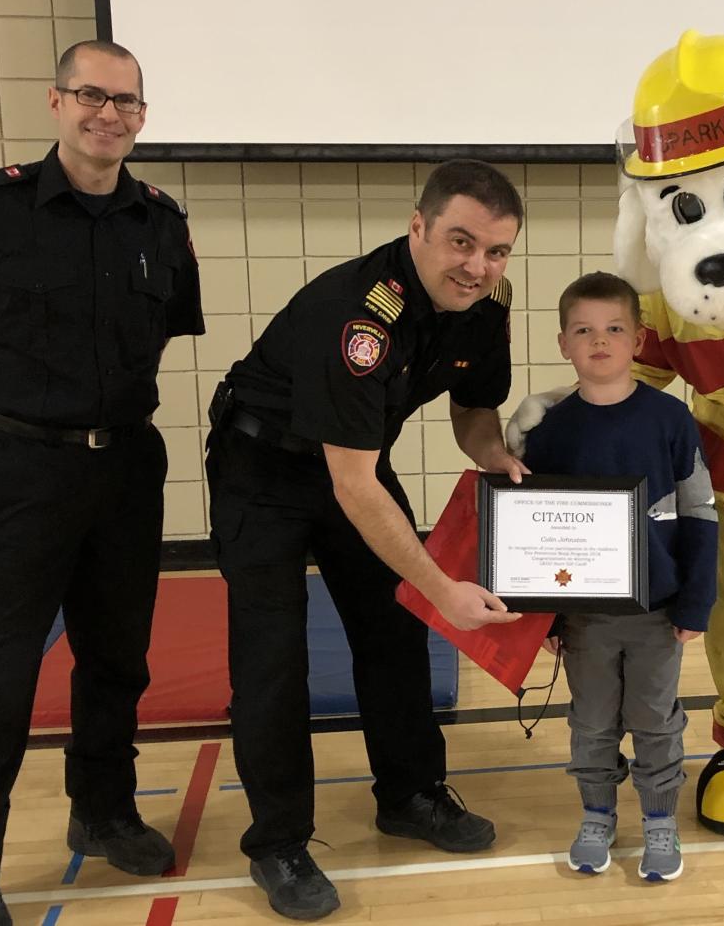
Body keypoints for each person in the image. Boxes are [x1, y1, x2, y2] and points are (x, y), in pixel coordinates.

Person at [205, 159, 525, 921]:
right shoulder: (360, 315)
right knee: (273, 656)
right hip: (265, 468)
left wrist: (499, 460)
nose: (477, 266)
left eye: (497, 250)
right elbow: (352, 486)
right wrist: (442, 586)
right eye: (460, 242)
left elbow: (473, 411)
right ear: (418, 228)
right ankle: (279, 841)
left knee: (393, 631)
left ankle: (410, 794)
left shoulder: (485, 304)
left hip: (353, 459)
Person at [0, 40, 203, 925]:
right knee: (0, 675)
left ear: (141, 117)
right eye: (92, 95)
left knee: (117, 657)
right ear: (56, 102)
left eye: (127, 102)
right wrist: (9, 429)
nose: (109, 114)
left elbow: (156, 340)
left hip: (124, 464)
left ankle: (104, 807)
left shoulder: (161, 221)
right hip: (19, 467)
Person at [522, 272, 717, 882]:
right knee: (591, 721)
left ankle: (660, 821)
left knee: (656, 719)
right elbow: (538, 532)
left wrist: (696, 602)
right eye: (584, 330)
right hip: (585, 616)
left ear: (638, 341)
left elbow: (701, 512)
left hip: (658, 611)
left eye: (613, 329)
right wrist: (546, 616)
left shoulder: (671, 419)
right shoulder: (549, 431)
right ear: (563, 343)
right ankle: (597, 814)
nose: (598, 341)